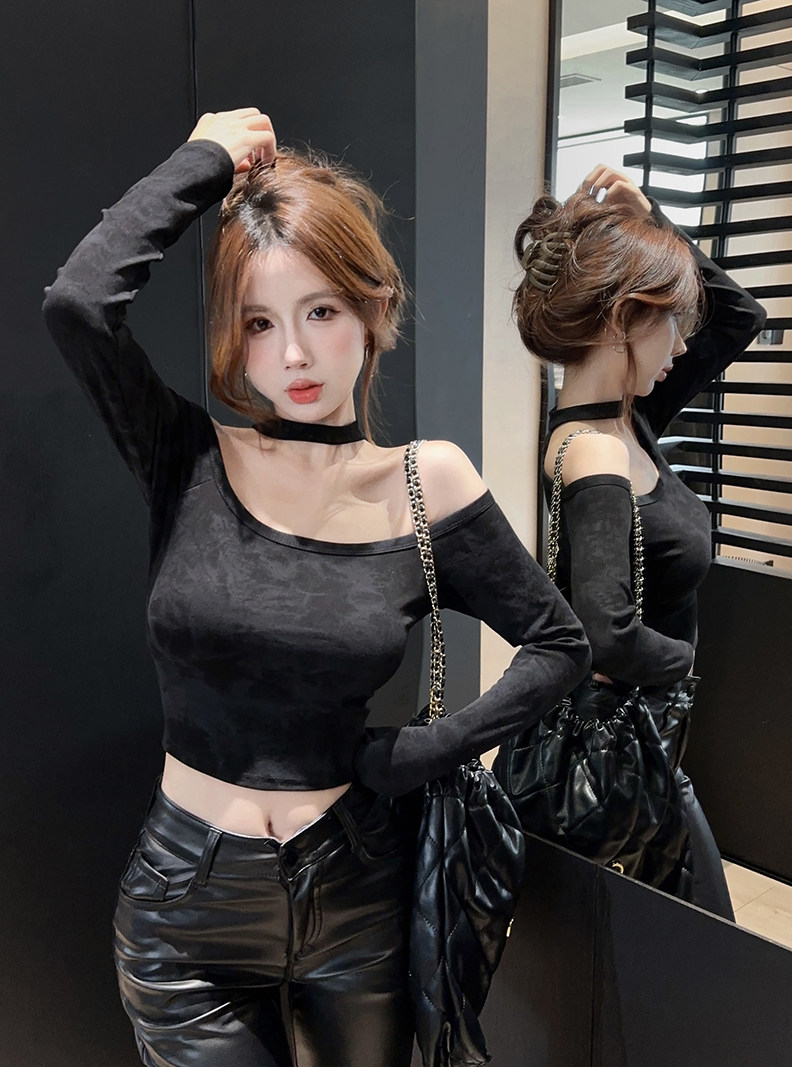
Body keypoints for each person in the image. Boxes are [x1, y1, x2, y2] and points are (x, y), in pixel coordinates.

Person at [42, 108, 590, 1067]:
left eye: (321, 312)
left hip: (355, 898)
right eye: (260, 323)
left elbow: (560, 643)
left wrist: (422, 751)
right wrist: (204, 161)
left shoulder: (426, 483)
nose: (292, 355)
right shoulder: (189, 458)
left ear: (373, 309)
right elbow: (78, 304)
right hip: (187, 910)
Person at [507, 163, 766, 918]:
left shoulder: (629, 418)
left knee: (678, 946)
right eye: (670, 322)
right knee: (693, 941)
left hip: (646, 741)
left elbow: (740, 317)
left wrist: (653, 219)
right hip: (617, 746)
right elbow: (606, 632)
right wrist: (684, 663)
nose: (683, 345)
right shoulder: (592, 449)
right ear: (624, 318)